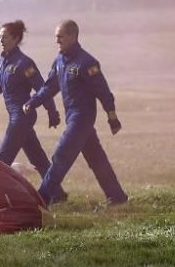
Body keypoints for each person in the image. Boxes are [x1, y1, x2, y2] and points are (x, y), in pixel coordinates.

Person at [23, 19, 128, 207]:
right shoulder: (59, 61)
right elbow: (50, 87)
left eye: (61, 37)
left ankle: (42, 198)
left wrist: (112, 117)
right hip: (72, 117)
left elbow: (103, 92)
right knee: (97, 159)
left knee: (60, 156)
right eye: (56, 37)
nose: (57, 41)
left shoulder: (86, 62)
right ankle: (117, 197)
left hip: (82, 119)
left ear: (73, 36)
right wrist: (33, 102)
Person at [0, 20, 66, 200]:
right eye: (0, 37)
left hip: (22, 117)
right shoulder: (1, 63)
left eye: (5, 37)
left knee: (2, 158)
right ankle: (57, 193)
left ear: (15, 39)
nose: (1, 40)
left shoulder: (24, 63)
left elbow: (42, 89)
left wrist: (52, 112)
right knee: (38, 158)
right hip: (16, 117)